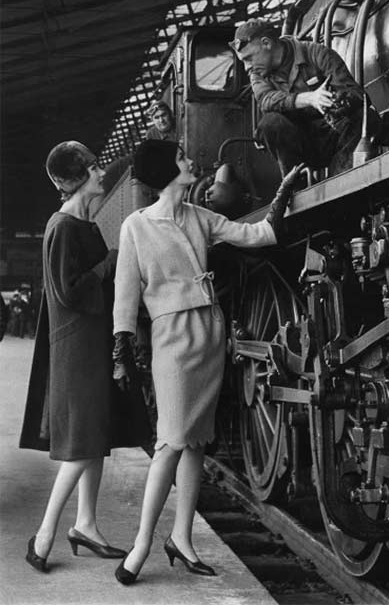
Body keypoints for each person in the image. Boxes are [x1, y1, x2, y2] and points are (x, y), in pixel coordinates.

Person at [112, 139, 301, 585]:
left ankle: (183, 539)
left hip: (210, 333)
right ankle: (142, 545)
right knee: (171, 441)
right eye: (180, 158)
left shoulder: (200, 218)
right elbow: (125, 297)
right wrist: (122, 354)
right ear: (165, 171)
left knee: (197, 439)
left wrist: (282, 195)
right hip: (173, 338)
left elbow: (259, 235)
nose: (190, 161)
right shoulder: (135, 227)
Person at [19, 141, 151, 573]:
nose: (101, 174)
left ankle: (86, 525)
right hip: (76, 349)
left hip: (91, 344)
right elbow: (69, 291)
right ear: (78, 180)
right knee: (80, 445)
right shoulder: (62, 227)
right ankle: (43, 537)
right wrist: (110, 263)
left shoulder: (83, 224)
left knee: (94, 438)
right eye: (93, 168)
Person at [230, 19, 379, 176]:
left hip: (335, 137)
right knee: (271, 123)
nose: (247, 67)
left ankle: (342, 179)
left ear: (266, 43)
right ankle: (295, 185)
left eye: (248, 58)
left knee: (365, 115)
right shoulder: (257, 74)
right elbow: (267, 100)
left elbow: (358, 95)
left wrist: (341, 102)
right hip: (300, 145)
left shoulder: (317, 54)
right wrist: (311, 98)